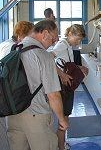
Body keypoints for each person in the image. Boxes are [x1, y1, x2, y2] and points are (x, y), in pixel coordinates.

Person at [7, 20, 69, 150]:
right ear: (45, 33)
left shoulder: (15, 49)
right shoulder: (43, 56)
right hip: (36, 116)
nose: (52, 44)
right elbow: (53, 95)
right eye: (52, 40)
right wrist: (62, 119)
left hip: (13, 114)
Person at [0, 21, 34, 150]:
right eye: (29, 37)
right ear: (20, 35)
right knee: (3, 141)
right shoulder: (11, 48)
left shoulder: (7, 44)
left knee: (1, 139)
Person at [52, 24, 89, 150]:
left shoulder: (67, 46)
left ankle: (62, 143)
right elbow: (48, 59)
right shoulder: (62, 45)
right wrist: (62, 74)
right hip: (63, 87)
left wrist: (79, 67)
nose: (78, 42)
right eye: (77, 39)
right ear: (70, 34)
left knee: (66, 116)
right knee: (64, 118)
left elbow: (66, 63)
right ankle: (61, 147)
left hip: (67, 86)